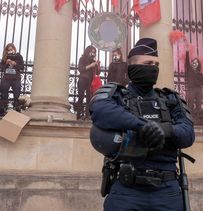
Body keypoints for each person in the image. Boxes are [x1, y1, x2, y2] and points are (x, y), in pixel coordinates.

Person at [89, 38, 195, 211]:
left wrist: (163, 130)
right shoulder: (117, 96)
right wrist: (142, 126)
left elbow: (188, 134)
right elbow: (99, 110)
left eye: (156, 64)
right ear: (132, 67)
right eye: (148, 63)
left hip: (167, 192)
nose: (153, 68)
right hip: (127, 191)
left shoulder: (170, 99)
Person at [0, 43, 24, 114]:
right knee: (3, 93)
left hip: (16, 78)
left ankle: (16, 109)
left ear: (14, 49)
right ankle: (3, 109)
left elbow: (22, 67)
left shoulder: (18, 56)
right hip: (6, 78)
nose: (10, 51)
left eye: (11, 49)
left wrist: (15, 64)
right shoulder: (5, 57)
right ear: (6, 51)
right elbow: (1, 68)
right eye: (8, 50)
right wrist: (6, 63)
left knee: (17, 94)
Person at [76, 45, 99, 120]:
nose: (92, 53)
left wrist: (97, 65)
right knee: (81, 97)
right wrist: (90, 65)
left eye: (94, 52)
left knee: (89, 98)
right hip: (82, 80)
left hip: (90, 82)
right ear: (87, 51)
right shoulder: (82, 59)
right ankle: (79, 115)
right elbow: (80, 69)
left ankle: (87, 116)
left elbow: (98, 73)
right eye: (91, 52)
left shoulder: (93, 61)